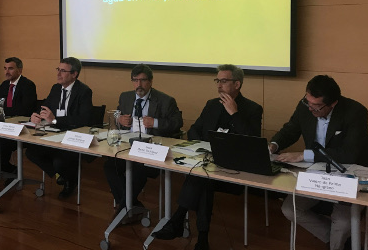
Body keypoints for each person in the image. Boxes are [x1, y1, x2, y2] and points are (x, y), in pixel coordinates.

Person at [153, 64, 263, 250]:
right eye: (217, 81)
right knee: (204, 179)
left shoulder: (253, 109)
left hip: (235, 170)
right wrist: (201, 145)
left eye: (224, 81)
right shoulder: (212, 104)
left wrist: (234, 113)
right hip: (207, 163)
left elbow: (252, 142)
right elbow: (194, 129)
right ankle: (202, 239)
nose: (219, 85)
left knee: (201, 178)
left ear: (237, 84)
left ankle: (178, 221)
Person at [269, 75, 368, 250]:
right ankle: (338, 240)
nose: (310, 108)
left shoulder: (355, 112)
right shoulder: (305, 105)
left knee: (343, 222)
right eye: (307, 101)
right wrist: (274, 145)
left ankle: (339, 241)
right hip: (314, 174)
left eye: (316, 106)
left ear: (333, 104)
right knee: (290, 209)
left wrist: (304, 155)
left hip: (345, 174)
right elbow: (291, 130)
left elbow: (349, 154)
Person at [104, 64, 183, 222]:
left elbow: (177, 123)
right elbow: (117, 113)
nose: (138, 85)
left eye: (143, 80)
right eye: (135, 80)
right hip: (127, 146)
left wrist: (155, 122)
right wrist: (119, 119)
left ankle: (124, 209)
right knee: (110, 166)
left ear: (151, 81)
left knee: (137, 170)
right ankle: (131, 205)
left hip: (150, 149)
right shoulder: (125, 97)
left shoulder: (165, 100)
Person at [26, 57, 93, 199]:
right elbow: (45, 106)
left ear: (74, 74)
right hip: (52, 134)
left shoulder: (84, 91)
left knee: (59, 161)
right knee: (31, 152)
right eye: (58, 69)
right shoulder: (56, 88)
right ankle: (60, 175)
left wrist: (55, 120)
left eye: (63, 71)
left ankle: (70, 181)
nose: (58, 74)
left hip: (71, 136)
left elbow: (83, 120)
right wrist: (36, 115)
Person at [0, 57, 37, 176]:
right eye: (5, 68)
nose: (6, 72)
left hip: (20, 127)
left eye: (10, 69)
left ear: (20, 70)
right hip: (3, 124)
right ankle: (6, 169)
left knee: (2, 142)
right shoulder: (4, 85)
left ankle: (4, 170)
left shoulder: (28, 85)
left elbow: (25, 110)